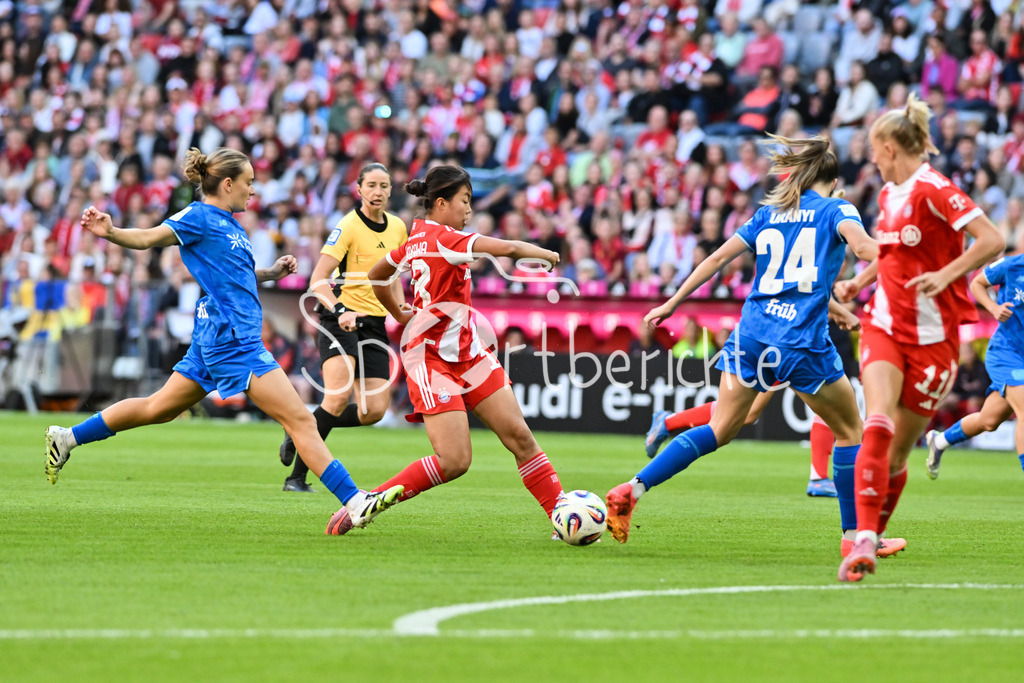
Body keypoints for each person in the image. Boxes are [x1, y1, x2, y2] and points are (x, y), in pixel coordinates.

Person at [43, 147, 403, 531]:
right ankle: (355, 501)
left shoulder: (230, 223)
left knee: (158, 408)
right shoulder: (199, 216)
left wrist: (268, 273)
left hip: (215, 336)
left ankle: (67, 438)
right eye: (248, 183)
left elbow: (233, 277)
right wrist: (111, 232)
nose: (252, 191)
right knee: (300, 420)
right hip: (233, 341)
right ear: (227, 184)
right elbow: (150, 238)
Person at [604, 135, 881, 554]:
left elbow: (717, 259)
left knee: (721, 428)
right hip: (800, 343)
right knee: (849, 431)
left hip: (751, 335)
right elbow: (863, 249)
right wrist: (901, 252)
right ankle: (854, 540)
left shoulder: (769, 213)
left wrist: (673, 302)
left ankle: (633, 488)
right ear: (833, 178)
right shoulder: (838, 209)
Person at [324, 165, 565, 536]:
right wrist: (548, 254)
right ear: (441, 203)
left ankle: (562, 515)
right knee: (455, 460)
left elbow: (376, 274)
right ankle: (373, 499)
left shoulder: (416, 235)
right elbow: (510, 248)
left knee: (519, 436)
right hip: (431, 359)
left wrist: (397, 311)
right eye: (464, 201)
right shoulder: (448, 239)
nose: (469, 211)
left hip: (468, 353)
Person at [834, 94, 1004, 582]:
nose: (870, 158)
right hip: (885, 323)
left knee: (895, 457)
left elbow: (991, 240)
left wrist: (946, 274)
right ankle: (862, 541)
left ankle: (871, 534)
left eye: (873, 149)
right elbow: (889, 253)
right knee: (878, 421)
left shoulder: (935, 189)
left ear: (890, 147)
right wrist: (857, 283)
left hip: (935, 340)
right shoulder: (888, 196)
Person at [645, 300, 865, 499]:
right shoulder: (819, 265)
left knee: (751, 413)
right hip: (791, 341)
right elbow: (815, 298)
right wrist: (847, 307)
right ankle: (818, 478)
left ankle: (668, 422)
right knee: (820, 407)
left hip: (793, 338)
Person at [278, 163, 408, 492]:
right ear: (360, 190)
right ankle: (297, 477)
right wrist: (340, 310)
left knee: (373, 411)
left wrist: (403, 312)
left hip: (374, 324)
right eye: (371, 185)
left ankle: (302, 427)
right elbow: (317, 279)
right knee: (336, 399)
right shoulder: (348, 226)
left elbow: (393, 279)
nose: (377, 191)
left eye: (384, 185)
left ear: (391, 190)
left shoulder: (398, 228)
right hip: (340, 319)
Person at [925, 254, 1024, 479]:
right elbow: (977, 282)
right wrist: (992, 307)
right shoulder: (1012, 264)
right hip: (1006, 353)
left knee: (988, 421)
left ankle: (939, 441)